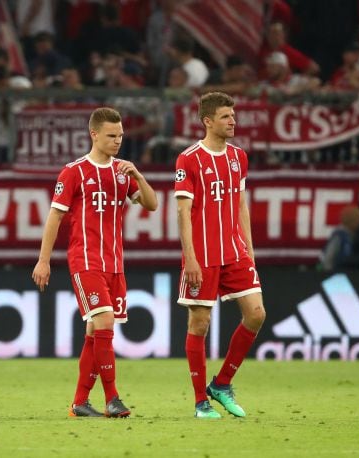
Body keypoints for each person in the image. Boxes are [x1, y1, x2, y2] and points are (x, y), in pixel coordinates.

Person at [32, 107, 158, 418]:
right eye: (112, 136)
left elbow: (152, 204)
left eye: (121, 136)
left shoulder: (121, 172)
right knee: (103, 322)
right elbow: (54, 217)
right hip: (85, 260)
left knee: (93, 331)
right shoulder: (73, 172)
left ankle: (79, 402)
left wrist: (138, 176)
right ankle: (112, 397)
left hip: (114, 263)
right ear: (94, 135)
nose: (118, 141)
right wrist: (43, 260)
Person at [174, 92, 266, 419]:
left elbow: (241, 205)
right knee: (200, 323)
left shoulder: (239, 157)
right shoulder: (189, 159)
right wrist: (191, 259)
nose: (233, 121)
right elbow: (183, 214)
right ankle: (201, 401)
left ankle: (222, 383)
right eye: (226, 116)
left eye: (233, 115)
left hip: (234, 252)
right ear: (208, 121)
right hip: (203, 255)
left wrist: (250, 250)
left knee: (256, 313)